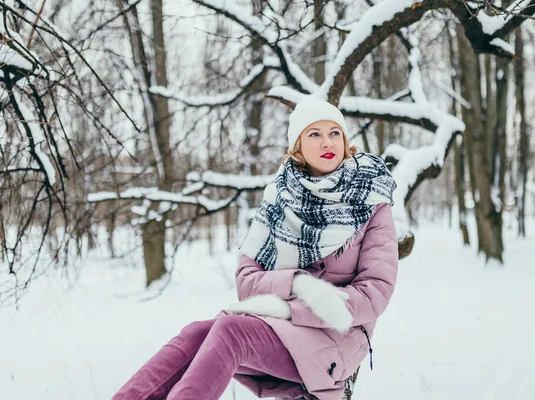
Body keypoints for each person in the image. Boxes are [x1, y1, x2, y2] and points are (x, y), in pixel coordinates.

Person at [112, 96, 399, 400]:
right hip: (279, 327)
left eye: (334, 132)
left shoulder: (370, 199)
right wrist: (298, 286)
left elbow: (374, 293)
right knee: (197, 332)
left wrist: (295, 309)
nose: (327, 142)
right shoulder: (279, 199)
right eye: (314, 134)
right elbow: (247, 281)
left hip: (339, 336)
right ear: (298, 145)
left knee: (230, 331)